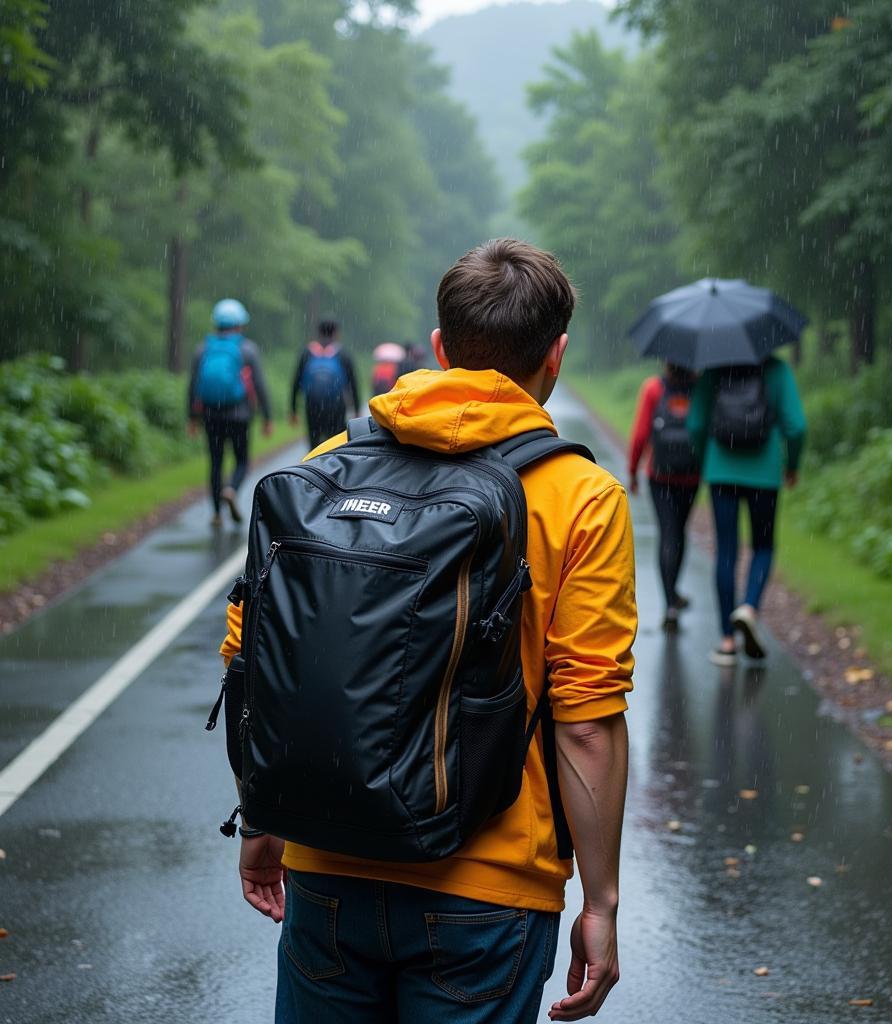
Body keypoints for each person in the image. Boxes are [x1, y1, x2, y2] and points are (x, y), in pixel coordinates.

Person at [219, 239, 637, 1023]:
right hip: (489, 890)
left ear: (441, 347)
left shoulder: (333, 464)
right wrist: (601, 902)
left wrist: (263, 822)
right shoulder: (583, 497)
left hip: (327, 867)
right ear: (557, 356)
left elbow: (261, 659)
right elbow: (586, 723)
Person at [686, 355, 806, 665]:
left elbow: (696, 424)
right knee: (763, 546)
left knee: (726, 550)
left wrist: (705, 459)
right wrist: (792, 465)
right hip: (764, 473)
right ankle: (749, 607)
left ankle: (727, 641)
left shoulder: (713, 368)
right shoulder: (778, 370)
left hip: (721, 470)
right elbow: (797, 426)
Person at [628, 362, 701, 631]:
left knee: (667, 533)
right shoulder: (700, 388)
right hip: (691, 476)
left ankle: (670, 602)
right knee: (679, 532)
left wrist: (633, 469)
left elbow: (640, 434)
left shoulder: (654, 388)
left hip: (660, 476)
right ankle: (674, 594)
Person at [188, 298, 273, 527]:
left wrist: (191, 418)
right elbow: (260, 385)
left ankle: (216, 513)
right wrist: (267, 416)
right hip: (240, 415)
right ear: (239, 324)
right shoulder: (247, 349)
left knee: (215, 462)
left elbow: (193, 385)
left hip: (210, 415)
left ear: (217, 323)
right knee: (242, 461)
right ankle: (231, 489)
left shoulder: (203, 349)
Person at [290, 317, 360, 449]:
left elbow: (296, 382)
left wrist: (293, 409)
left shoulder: (307, 352)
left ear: (319, 332)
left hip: (312, 405)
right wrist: (356, 408)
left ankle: (313, 467)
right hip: (337, 405)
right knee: (336, 443)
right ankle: (334, 468)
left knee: (314, 443)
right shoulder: (342, 353)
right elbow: (353, 383)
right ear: (336, 332)